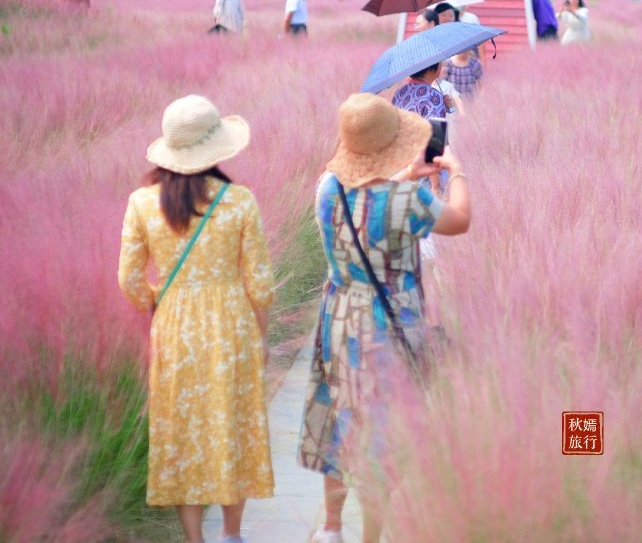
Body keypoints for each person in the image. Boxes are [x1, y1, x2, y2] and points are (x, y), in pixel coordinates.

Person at [298, 93, 471, 543]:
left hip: (339, 316)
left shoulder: (328, 186)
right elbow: (458, 221)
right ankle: (370, 536)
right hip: (389, 325)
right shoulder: (406, 199)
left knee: (340, 418)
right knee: (382, 429)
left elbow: (363, 202)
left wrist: (405, 174)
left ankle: (330, 529)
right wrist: (457, 171)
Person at [118, 95, 275, 543]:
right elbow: (259, 281)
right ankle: (231, 534)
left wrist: (157, 304)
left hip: (175, 325)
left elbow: (128, 279)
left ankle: (194, 538)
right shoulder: (240, 201)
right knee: (233, 422)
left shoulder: (142, 203)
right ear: (217, 148)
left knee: (182, 429)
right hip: (232, 324)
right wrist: (260, 335)